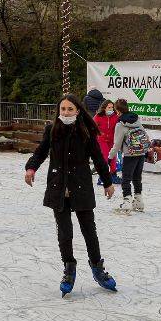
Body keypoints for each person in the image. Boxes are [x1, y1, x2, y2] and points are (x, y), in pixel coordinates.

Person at [25, 94, 117, 296]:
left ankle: (97, 268)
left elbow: (98, 158)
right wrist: (31, 168)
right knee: (65, 233)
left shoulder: (85, 131)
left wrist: (108, 182)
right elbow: (40, 152)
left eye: (70, 109)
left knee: (89, 230)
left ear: (78, 111)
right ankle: (69, 268)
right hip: (59, 187)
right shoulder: (52, 129)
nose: (65, 113)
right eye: (63, 109)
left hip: (81, 186)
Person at [108, 99, 151, 214]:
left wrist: (110, 157)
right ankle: (139, 202)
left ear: (117, 110)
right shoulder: (136, 119)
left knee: (126, 179)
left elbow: (117, 144)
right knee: (137, 178)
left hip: (130, 154)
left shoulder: (120, 124)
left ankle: (127, 202)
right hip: (141, 153)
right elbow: (144, 134)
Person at [93, 99, 120, 185]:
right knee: (105, 158)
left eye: (112, 107)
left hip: (112, 140)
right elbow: (92, 127)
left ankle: (113, 175)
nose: (111, 109)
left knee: (113, 157)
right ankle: (102, 177)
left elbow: (119, 127)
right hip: (102, 140)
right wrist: (99, 133)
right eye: (109, 107)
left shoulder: (115, 117)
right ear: (104, 108)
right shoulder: (98, 116)